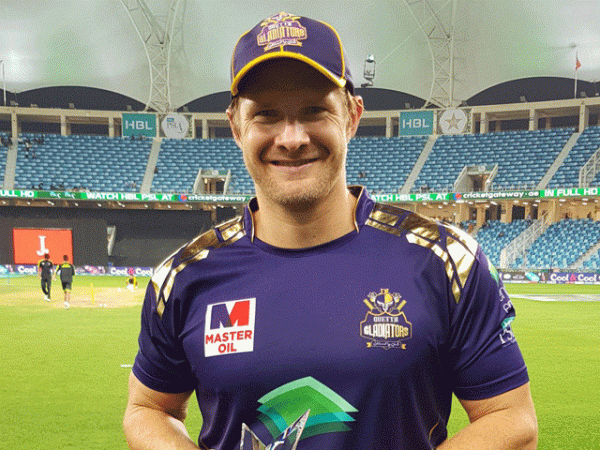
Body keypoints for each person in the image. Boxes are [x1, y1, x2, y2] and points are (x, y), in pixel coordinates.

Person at [123, 12, 537, 450]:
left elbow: (511, 419)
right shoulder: (185, 276)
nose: (292, 137)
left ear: (352, 116)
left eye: (314, 111)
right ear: (236, 127)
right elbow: (148, 408)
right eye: (266, 115)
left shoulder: (445, 260)